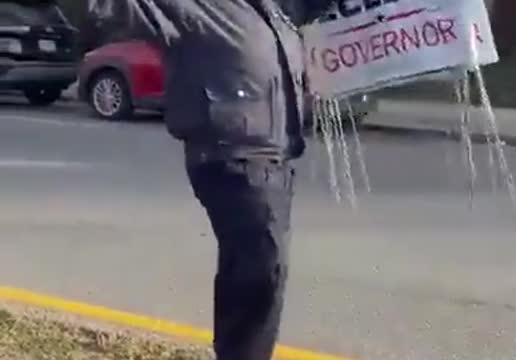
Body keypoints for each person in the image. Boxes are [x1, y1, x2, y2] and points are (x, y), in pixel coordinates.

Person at [86, 1, 334, 359]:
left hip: (275, 156)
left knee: (256, 274)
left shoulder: (277, 9)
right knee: (262, 267)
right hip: (229, 154)